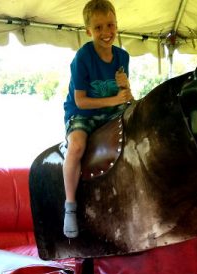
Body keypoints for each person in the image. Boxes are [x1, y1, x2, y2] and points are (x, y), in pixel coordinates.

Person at [62, 0, 134, 238]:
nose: (106, 32)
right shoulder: (83, 57)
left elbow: (125, 97)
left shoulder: (122, 56)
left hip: (111, 112)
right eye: (99, 27)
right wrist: (116, 100)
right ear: (88, 31)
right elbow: (81, 100)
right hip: (83, 113)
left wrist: (127, 93)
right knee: (78, 146)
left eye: (110, 25)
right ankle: (70, 206)